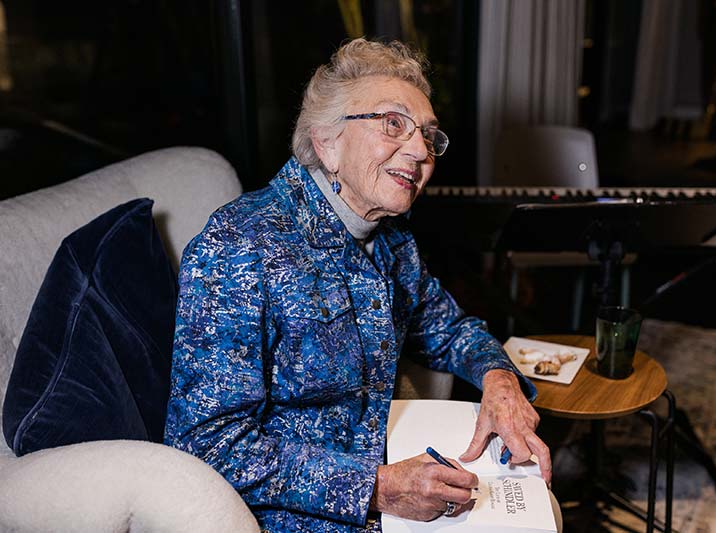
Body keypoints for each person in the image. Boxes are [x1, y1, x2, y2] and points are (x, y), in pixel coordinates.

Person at [164, 38, 554, 532]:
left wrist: (500, 381)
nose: (420, 151)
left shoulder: (391, 239)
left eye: (430, 137)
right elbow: (205, 443)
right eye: (394, 123)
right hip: (290, 518)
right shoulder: (239, 247)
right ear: (327, 141)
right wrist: (379, 487)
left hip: (393, 472)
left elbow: (448, 330)